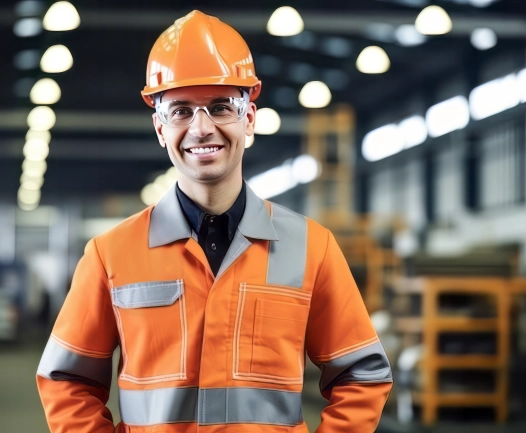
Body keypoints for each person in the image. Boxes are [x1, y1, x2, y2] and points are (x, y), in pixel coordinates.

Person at [37, 10, 392, 433]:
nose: (201, 128)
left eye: (221, 106)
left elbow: (362, 373)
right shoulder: (110, 254)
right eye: (181, 111)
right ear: (159, 129)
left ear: (249, 119)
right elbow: (67, 380)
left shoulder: (311, 247)